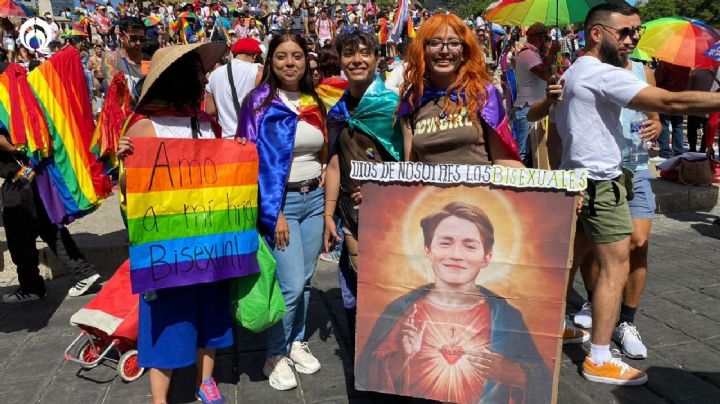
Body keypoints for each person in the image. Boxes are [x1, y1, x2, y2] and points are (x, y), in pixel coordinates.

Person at [535, 3, 720, 385]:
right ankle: (599, 357)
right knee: (615, 267)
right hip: (601, 182)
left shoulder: (572, 73)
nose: (633, 39)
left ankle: (550, 324)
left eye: (637, 32)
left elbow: (556, 133)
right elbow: (672, 102)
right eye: (625, 32)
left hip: (579, 180)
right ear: (597, 34)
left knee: (570, 261)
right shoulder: (601, 74)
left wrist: (560, 179)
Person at [116, 41, 230, 404]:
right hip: (166, 247)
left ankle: (205, 381)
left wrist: (238, 148)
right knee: (165, 316)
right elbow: (129, 190)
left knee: (209, 310)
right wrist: (124, 163)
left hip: (206, 240)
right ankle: (159, 398)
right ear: (180, 78)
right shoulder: (144, 127)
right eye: (198, 73)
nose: (204, 80)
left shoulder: (208, 124)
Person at [356, 202, 552, 403]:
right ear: (428, 250)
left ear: (486, 257)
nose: (456, 255)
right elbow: (370, 376)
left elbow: (543, 378)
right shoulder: (403, 311)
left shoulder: (506, 317)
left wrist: (516, 373)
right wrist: (401, 356)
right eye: (445, 243)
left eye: (470, 246)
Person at [237, 33, 327, 392]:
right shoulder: (258, 102)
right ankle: (274, 353)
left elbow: (322, 150)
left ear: (307, 61)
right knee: (288, 285)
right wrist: (273, 213)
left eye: (297, 56)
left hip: (314, 201)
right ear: (270, 63)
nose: (290, 63)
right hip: (281, 205)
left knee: (305, 281)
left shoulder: (313, 101)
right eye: (281, 57)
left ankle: (296, 342)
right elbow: (249, 162)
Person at [322, 26, 403, 357]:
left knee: (391, 292)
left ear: (376, 58)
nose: (357, 60)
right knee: (356, 289)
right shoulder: (337, 110)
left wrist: (382, 190)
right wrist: (328, 215)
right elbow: (334, 164)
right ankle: (365, 360)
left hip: (392, 218)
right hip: (351, 218)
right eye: (349, 53)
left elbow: (412, 163)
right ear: (340, 60)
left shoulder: (394, 106)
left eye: (364, 52)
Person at [512, 22, 559, 167]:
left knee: (533, 151)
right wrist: (551, 52)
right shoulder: (527, 54)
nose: (547, 42)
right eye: (546, 39)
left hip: (533, 107)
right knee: (524, 151)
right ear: (539, 38)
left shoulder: (532, 54)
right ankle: (517, 185)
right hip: (528, 107)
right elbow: (545, 74)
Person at [205, 37, 263, 138]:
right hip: (251, 138)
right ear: (255, 56)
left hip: (226, 140)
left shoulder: (214, 75)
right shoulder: (259, 71)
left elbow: (210, 110)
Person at [101, 17, 147, 104]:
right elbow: (115, 89)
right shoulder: (112, 57)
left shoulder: (147, 60)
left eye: (142, 39)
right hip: (121, 111)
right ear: (122, 37)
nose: (138, 43)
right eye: (133, 39)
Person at [654, 61, 690, 158]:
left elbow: (657, 80)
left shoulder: (665, 63)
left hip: (666, 96)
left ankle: (665, 151)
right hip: (680, 97)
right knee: (678, 125)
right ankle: (678, 150)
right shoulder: (686, 65)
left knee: (664, 124)